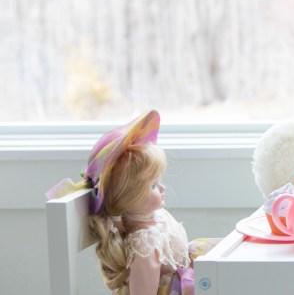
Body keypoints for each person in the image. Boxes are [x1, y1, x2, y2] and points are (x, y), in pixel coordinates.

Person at [46, 110, 216, 294]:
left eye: (159, 182)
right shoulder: (145, 243)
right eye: (153, 186)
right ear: (130, 197)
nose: (163, 189)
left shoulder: (156, 217)